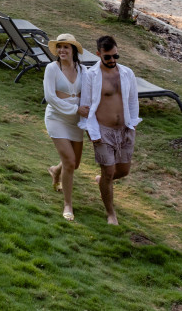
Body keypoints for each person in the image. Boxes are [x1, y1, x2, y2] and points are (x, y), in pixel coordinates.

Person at [78, 35, 140, 225]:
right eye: (108, 57)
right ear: (98, 54)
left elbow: (132, 100)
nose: (112, 60)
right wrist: (92, 133)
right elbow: (86, 105)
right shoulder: (91, 76)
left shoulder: (127, 73)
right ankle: (110, 213)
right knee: (109, 172)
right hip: (102, 131)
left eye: (116, 56)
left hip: (125, 130)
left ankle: (102, 181)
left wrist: (133, 124)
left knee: (123, 171)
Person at [44, 33, 85, 222]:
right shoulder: (52, 68)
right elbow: (51, 98)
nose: (61, 50)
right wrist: (75, 107)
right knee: (69, 162)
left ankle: (55, 170)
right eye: (59, 47)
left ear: (73, 50)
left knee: (74, 163)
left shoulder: (83, 70)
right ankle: (68, 204)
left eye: (66, 47)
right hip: (56, 118)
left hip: (76, 121)